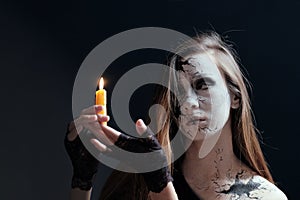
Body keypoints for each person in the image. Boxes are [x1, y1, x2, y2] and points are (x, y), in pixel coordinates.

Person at [64, 31, 288, 200]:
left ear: (235, 97)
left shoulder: (262, 196)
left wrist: (161, 185)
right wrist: (82, 181)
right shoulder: (138, 180)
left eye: (201, 85)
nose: (189, 103)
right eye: (177, 92)